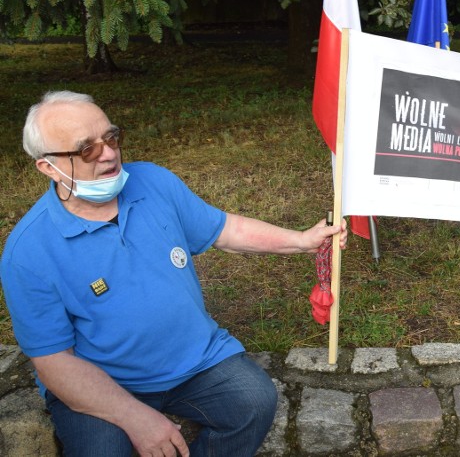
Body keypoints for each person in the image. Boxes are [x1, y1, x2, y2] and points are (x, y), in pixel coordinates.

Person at [0, 91, 348, 457]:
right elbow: (54, 363)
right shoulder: (28, 252)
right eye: (86, 149)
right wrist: (135, 417)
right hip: (103, 381)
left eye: (112, 137)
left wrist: (302, 240)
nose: (109, 153)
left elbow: (225, 230)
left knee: (255, 401)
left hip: (196, 363)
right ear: (48, 167)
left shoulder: (152, 182)